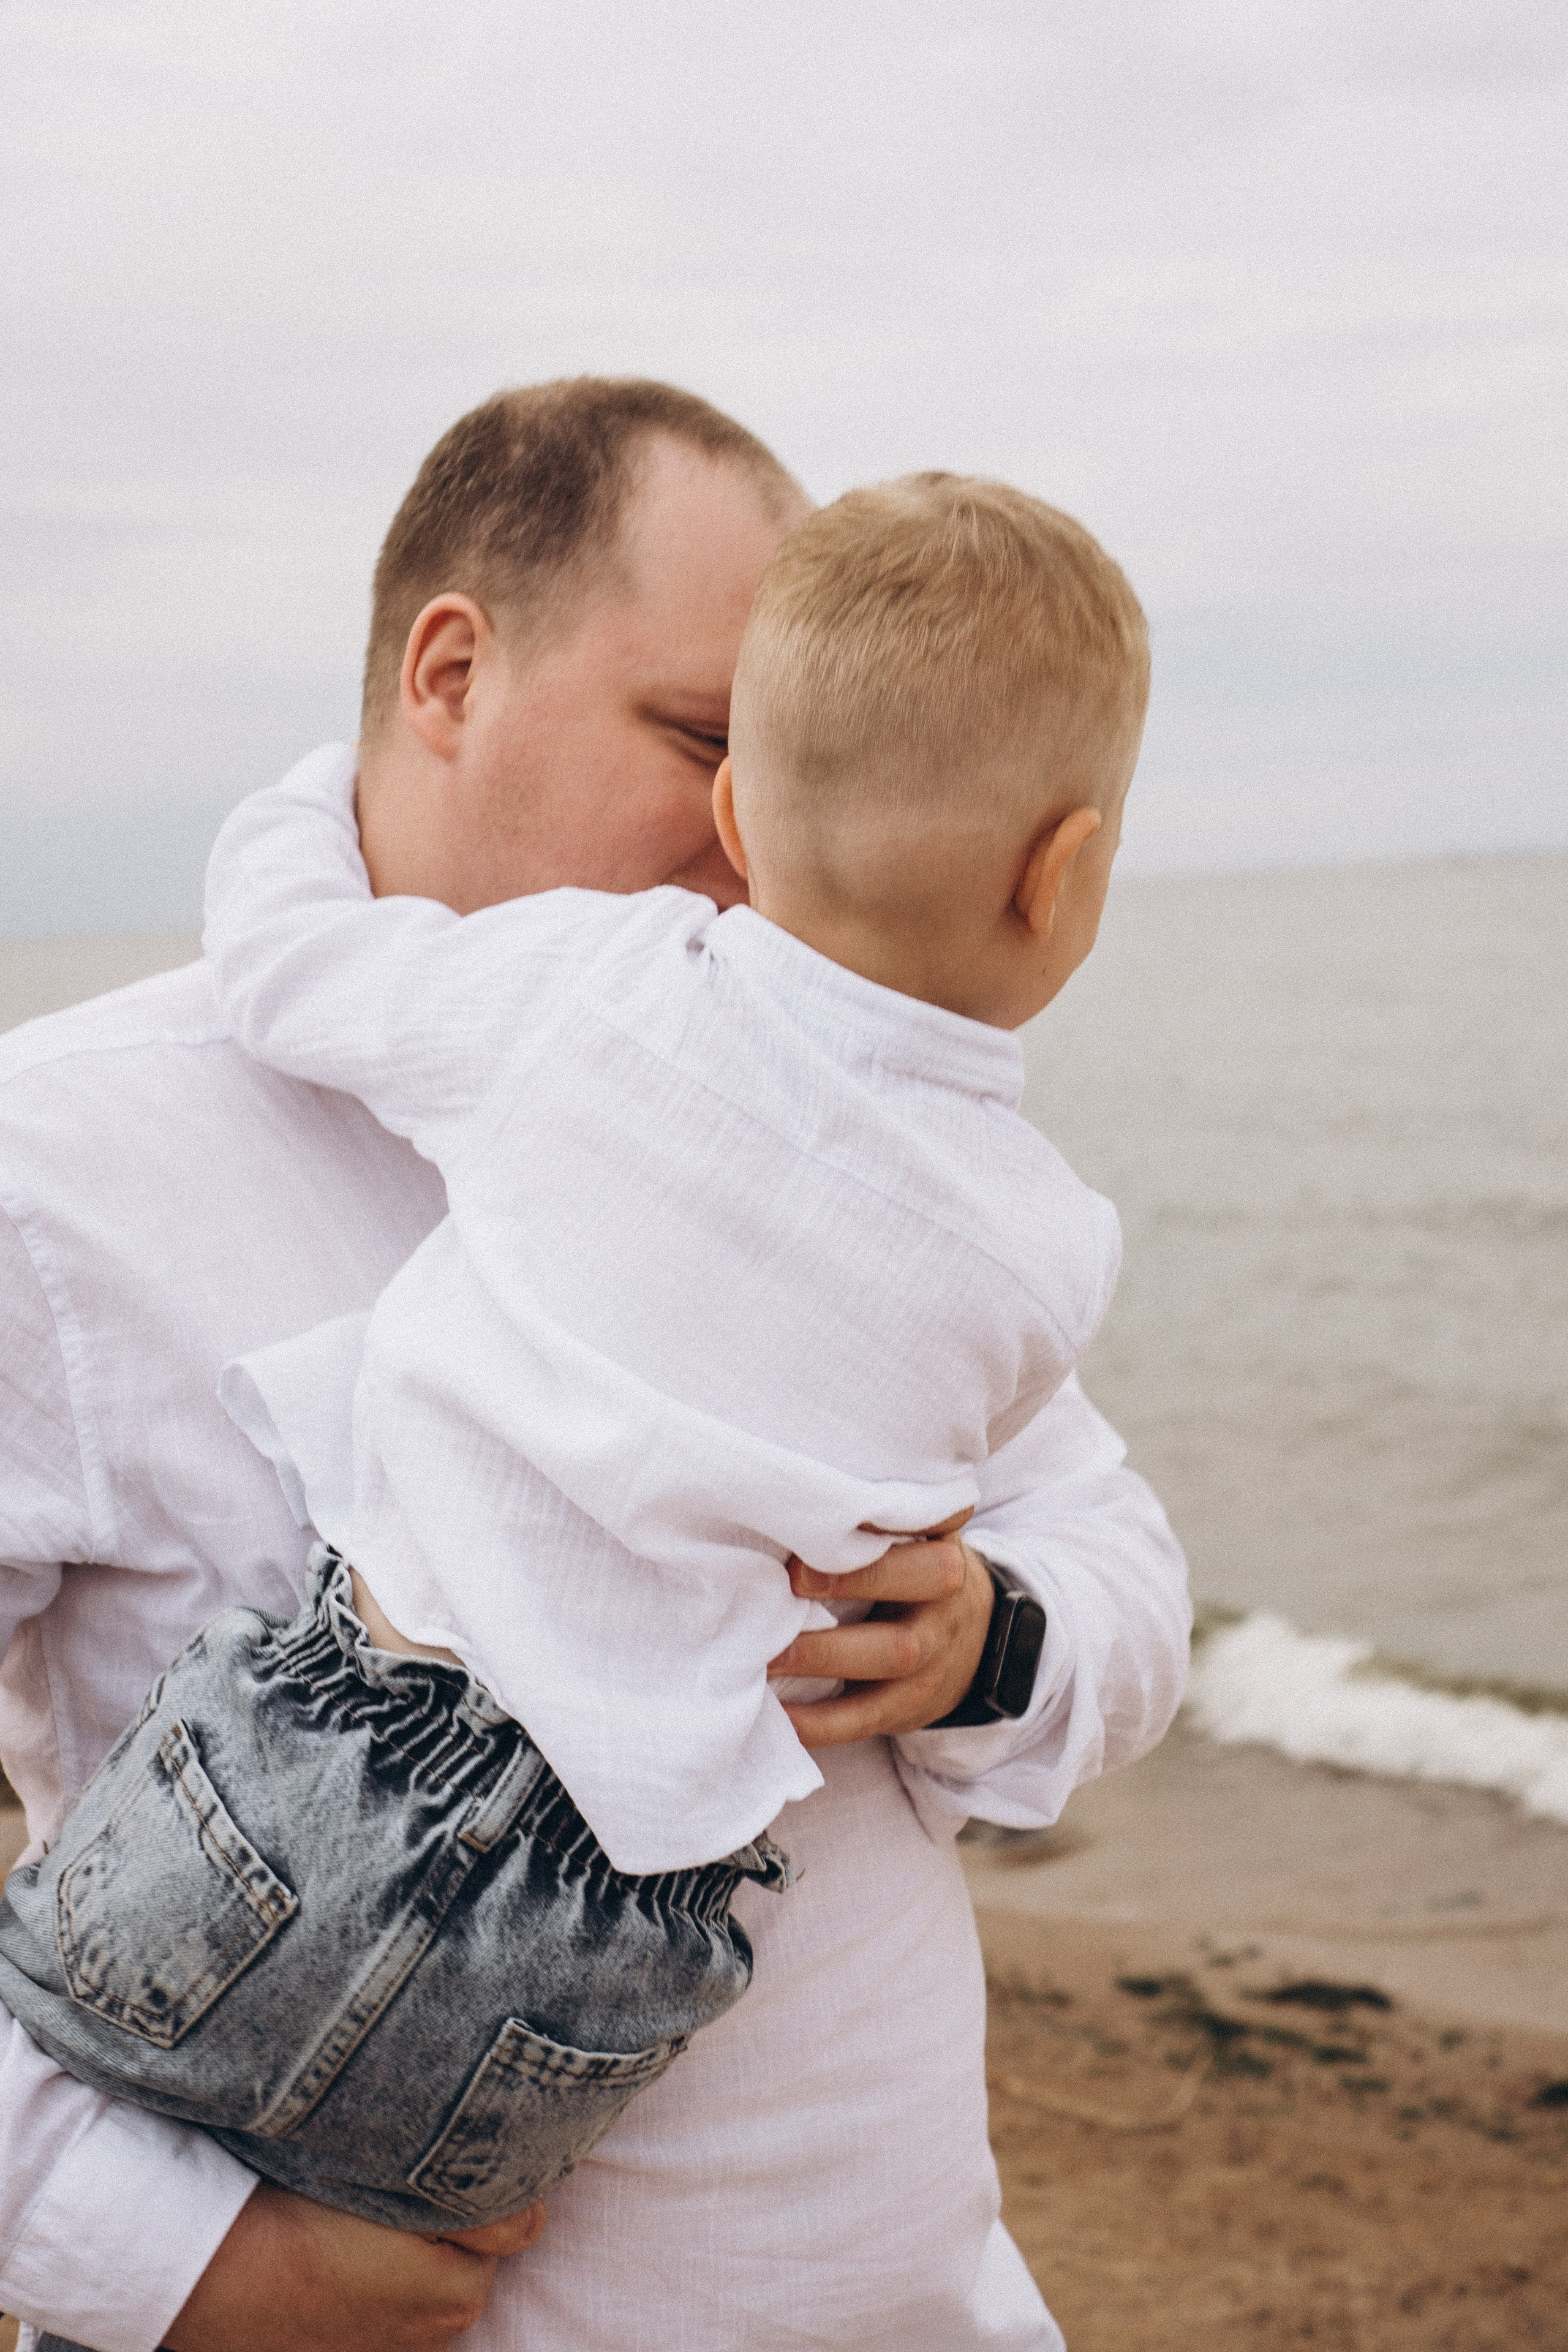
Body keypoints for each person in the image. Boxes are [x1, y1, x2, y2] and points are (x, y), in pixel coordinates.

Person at [0, 380, 1190, 2352]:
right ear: (450, 673)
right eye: (718, 742)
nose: (770, 835)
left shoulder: (845, 1146)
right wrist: (163, 2268)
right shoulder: (54, 1162)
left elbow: (1127, 1572)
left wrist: (1000, 1639)